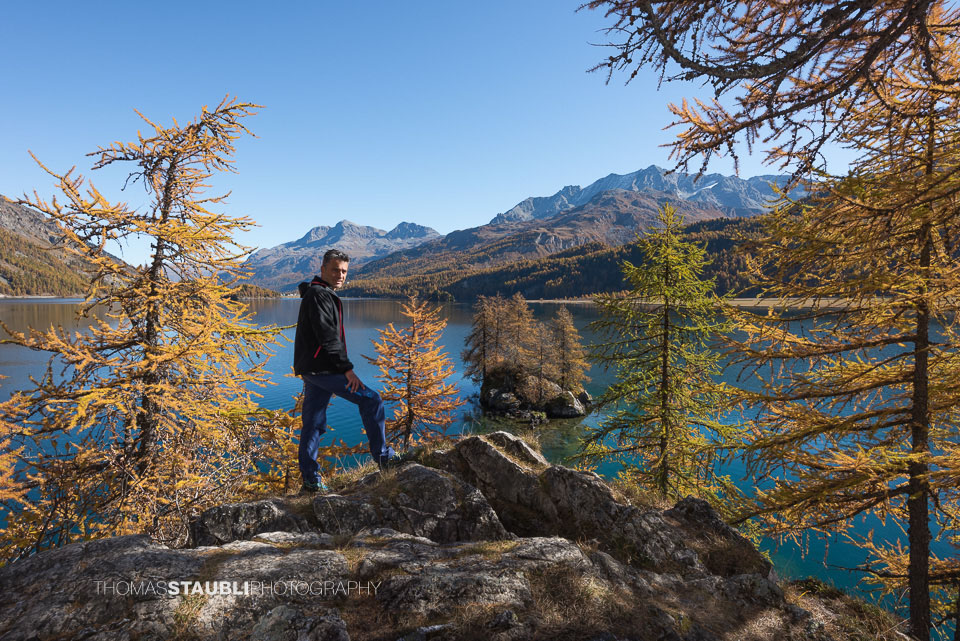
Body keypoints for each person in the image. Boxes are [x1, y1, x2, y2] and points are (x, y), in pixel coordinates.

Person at [293, 249, 396, 493]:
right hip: (324, 368)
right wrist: (347, 369)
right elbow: (328, 337)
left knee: (313, 424)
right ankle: (384, 458)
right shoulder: (319, 295)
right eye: (335, 270)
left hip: (313, 369)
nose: (340, 275)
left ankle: (310, 481)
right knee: (372, 400)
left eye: (344, 271)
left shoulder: (321, 293)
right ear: (323, 270)